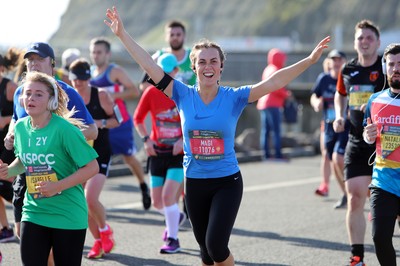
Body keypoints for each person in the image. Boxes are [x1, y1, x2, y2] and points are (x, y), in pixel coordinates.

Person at [104, 6, 330, 265]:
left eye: (213, 61)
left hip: (227, 182)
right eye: (202, 61)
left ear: (221, 67)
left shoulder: (234, 97)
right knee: (205, 254)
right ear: (194, 66)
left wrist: (310, 60)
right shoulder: (181, 93)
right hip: (194, 183)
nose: (207, 66)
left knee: (216, 246)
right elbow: (149, 64)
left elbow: (273, 82)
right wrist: (122, 34)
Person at [0, 71, 99, 265]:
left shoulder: (65, 130)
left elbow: (92, 167)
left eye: (38, 94)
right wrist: (7, 171)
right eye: (27, 93)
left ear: (51, 100)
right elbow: (24, 161)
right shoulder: (20, 128)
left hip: (68, 214)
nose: (31, 98)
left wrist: (58, 185)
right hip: (34, 211)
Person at [333, 20, 385, 266]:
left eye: (369, 38)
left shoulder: (388, 68)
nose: (364, 42)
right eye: (360, 38)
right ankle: (357, 257)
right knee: (355, 198)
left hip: (386, 144)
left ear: (378, 42)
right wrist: (340, 115)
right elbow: (340, 94)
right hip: (356, 139)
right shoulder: (347, 69)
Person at [89, 37, 151, 210]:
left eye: (99, 52)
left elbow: (133, 91)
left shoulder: (114, 71)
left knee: (128, 157)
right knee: (94, 158)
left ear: (107, 54)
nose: (95, 55)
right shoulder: (91, 73)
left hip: (120, 122)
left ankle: (143, 185)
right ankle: (91, 200)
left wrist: (109, 96)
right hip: (101, 124)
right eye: (93, 52)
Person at [134, 53, 186, 254]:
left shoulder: (182, 93)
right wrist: (146, 140)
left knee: (167, 196)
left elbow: (194, 121)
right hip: (157, 152)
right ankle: (174, 217)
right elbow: (138, 119)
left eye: (168, 72)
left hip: (177, 154)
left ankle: (173, 239)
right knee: (157, 202)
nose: (163, 76)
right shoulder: (150, 93)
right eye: (160, 72)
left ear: (176, 71)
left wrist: (182, 140)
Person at [69, 58, 119, 259]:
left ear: (89, 78)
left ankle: (105, 230)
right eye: (75, 79)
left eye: (82, 78)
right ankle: (98, 240)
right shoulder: (67, 97)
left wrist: (100, 122)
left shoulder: (102, 95)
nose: (78, 83)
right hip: (78, 155)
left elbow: (118, 121)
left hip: (100, 154)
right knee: (81, 201)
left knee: (90, 198)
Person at [363, 43, 400, 266]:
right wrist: (368, 135)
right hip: (383, 180)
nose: (396, 68)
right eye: (392, 64)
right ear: (385, 67)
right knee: (380, 237)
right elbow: (369, 135)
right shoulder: (374, 100)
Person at [311, 49, 348, 209]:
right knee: (328, 155)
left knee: (339, 157)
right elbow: (314, 95)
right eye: (333, 59)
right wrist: (316, 103)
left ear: (345, 62)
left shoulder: (348, 79)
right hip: (328, 123)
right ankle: (337, 189)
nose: (336, 62)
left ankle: (354, 188)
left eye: (339, 59)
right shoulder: (324, 79)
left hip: (345, 125)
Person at [0, 48, 21, 243]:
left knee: (8, 184)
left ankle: (23, 210)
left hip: (8, 143)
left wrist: (5, 120)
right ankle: (6, 228)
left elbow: (21, 115)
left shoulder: (10, 87)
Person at [140, 20, 197, 91]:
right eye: (171, 35)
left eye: (178, 34)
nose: (175, 37)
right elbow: (144, 85)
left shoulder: (194, 56)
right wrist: (165, 86)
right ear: (166, 37)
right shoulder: (158, 57)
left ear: (184, 36)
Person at [256, 48, 291, 160]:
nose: (284, 61)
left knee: (265, 131)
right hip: (273, 104)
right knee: (276, 130)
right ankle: (277, 155)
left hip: (263, 103)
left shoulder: (267, 69)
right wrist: (286, 94)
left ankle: (266, 155)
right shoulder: (276, 69)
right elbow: (275, 87)